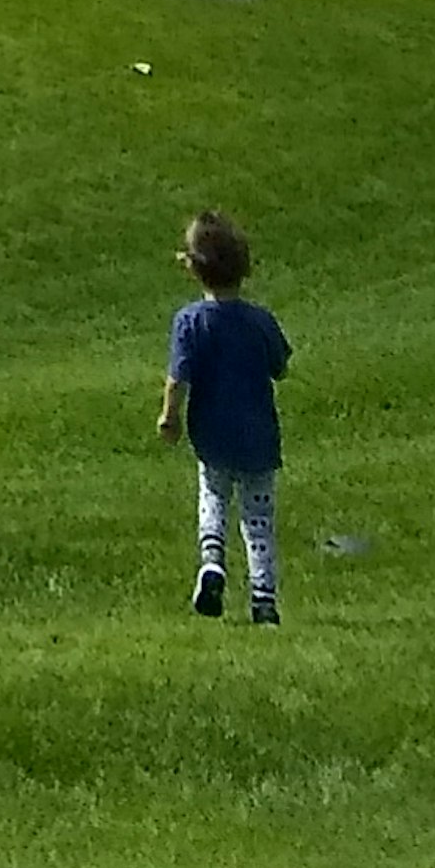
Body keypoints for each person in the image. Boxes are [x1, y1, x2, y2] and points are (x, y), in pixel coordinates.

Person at [157, 209, 293, 622]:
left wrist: (169, 416)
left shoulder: (190, 322)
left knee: (214, 497)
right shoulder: (259, 321)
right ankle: (264, 598)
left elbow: (178, 376)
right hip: (258, 436)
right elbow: (281, 367)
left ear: (194, 268)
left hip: (212, 435)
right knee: (258, 517)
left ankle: (212, 561)